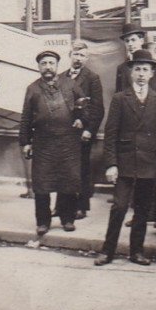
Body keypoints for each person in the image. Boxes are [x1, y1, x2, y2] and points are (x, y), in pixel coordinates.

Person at [95, 49, 156, 267]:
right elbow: (111, 133)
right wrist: (111, 164)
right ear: (131, 72)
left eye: (146, 70)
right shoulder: (120, 98)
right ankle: (107, 251)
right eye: (137, 69)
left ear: (152, 74)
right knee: (119, 207)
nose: (141, 74)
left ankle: (137, 251)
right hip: (125, 161)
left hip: (149, 162)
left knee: (143, 210)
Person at [19, 50, 87, 242]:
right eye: (44, 63)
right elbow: (25, 118)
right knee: (42, 183)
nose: (47, 67)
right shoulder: (32, 89)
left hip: (68, 141)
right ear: (39, 66)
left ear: (57, 66)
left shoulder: (71, 84)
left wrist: (81, 119)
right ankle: (43, 221)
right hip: (43, 142)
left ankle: (67, 218)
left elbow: (84, 105)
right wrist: (25, 142)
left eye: (51, 63)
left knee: (69, 179)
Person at [59, 40, 104, 220]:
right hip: (63, 132)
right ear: (70, 56)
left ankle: (81, 206)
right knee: (63, 169)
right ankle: (62, 206)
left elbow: (98, 108)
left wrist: (90, 130)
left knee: (81, 169)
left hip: (82, 132)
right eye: (76, 54)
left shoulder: (92, 78)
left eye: (82, 55)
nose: (78, 58)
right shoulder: (61, 77)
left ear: (87, 59)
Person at [114, 22, 156, 92]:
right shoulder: (122, 68)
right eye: (127, 41)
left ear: (141, 41)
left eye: (133, 40)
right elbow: (118, 93)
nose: (130, 44)